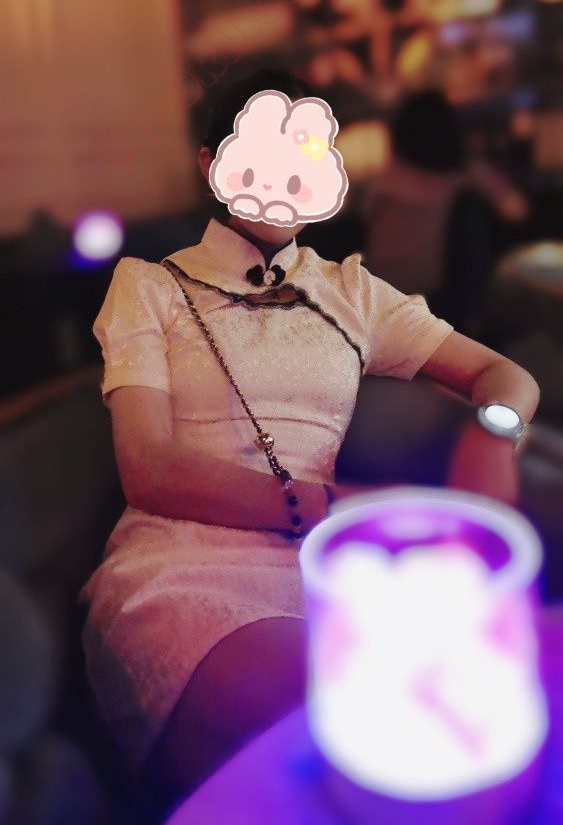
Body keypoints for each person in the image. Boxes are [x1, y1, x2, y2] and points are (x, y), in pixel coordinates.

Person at [79, 69, 540, 812]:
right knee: (365, 720)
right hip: (185, 561)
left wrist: (491, 437)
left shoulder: (350, 290)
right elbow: (149, 470)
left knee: (471, 709)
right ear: (213, 164)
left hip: (326, 567)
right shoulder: (150, 286)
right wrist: (345, 507)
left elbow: (504, 376)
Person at [360, 90, 529, 326]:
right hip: (431, 303)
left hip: (373, 298)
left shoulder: (385, 180)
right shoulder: (463, 176)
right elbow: (516, 210)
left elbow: (364, 223)